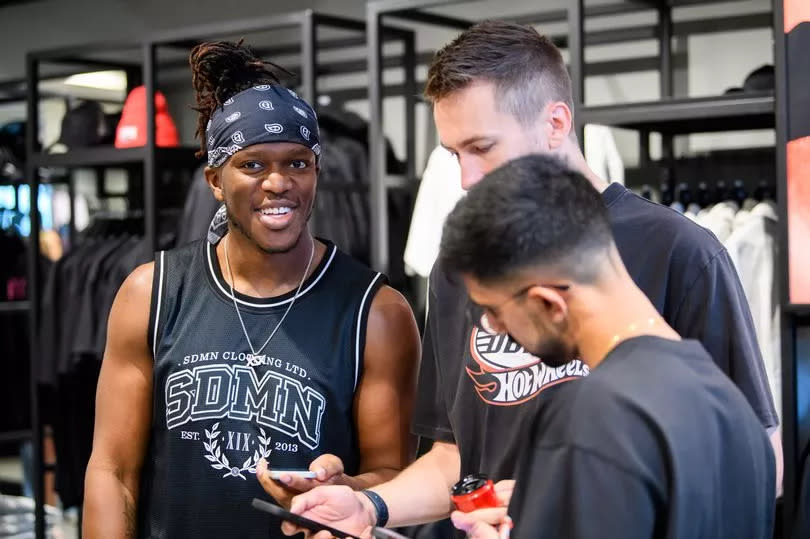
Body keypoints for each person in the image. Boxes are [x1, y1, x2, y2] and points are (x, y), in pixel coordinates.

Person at [280, 20, 780, 537]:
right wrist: (372, 507)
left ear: (556, 123)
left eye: (482, 147)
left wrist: (573, 491)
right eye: (454, 155)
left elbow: (754, 455)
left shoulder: (681, 251)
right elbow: (456, 457)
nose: (467, 178)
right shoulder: (461, 262)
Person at [82, 41, 420, 539]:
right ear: (216, 180)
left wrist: (346, 488)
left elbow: (393, 480)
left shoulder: (377, 313)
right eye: (254, 165)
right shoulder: (152, 292)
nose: (278, 182)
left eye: (298, 163)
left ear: (317, 172)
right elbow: (113, 472)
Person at [442, 154, 775, 539]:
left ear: (548, 302)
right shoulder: (734, 408)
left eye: (494, 311)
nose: (493, 327)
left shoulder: (592, 416)